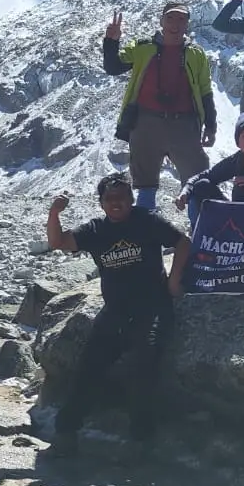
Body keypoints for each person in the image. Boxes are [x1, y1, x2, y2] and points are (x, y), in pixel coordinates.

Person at [44, 172, 190, 452]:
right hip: (115, 311)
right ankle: (66, 432)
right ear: (101, 203)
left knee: (144, 367)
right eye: (109, 198)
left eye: (121, 197)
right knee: (89, 367)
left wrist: (174, 279)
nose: (116, 203)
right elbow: (57, 242)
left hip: (153, 308)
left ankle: (139, 441)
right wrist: (54, 211)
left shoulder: (146, 221)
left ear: (131, 199)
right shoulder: (96, 230)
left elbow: (182, 242)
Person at [103, 3, 217, 211]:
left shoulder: (196, 54)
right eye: (171, 18)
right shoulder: (142, 47)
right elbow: (113, 67)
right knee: (145, 180)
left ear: (187, 24)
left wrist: (211, 125)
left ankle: (198, 229)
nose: (176, 23)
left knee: (197, 178)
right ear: (162, 21)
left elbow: (205, 91)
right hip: (146, 122)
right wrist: (112, 41)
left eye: (181, 19)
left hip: (184, 124)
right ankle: (149, 231)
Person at [176, 113, 244, 230]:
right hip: (238, 217)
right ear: (238, 142)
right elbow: (208, 175)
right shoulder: (238, 160)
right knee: (201, 186)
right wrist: (186, 190)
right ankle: (198, 236)